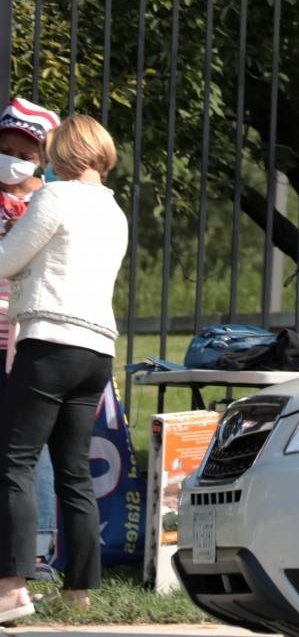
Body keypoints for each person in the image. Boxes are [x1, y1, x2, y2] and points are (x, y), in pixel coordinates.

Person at [0, 114, 127, 622]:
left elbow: (7, 261)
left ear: (64, 154)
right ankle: (81, 593)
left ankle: (10, 589)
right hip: (97, 348)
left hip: (50, 340)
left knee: (14, 462)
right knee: (73, 471)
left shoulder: (53, 198)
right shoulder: (115, 210)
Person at [0, 99, 61, 579]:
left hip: (29, 337)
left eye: (22, 149)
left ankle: (36, 553)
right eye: (3, 147)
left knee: (29, 447)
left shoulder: (51, 203)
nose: (11, 157)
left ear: (42, 156)